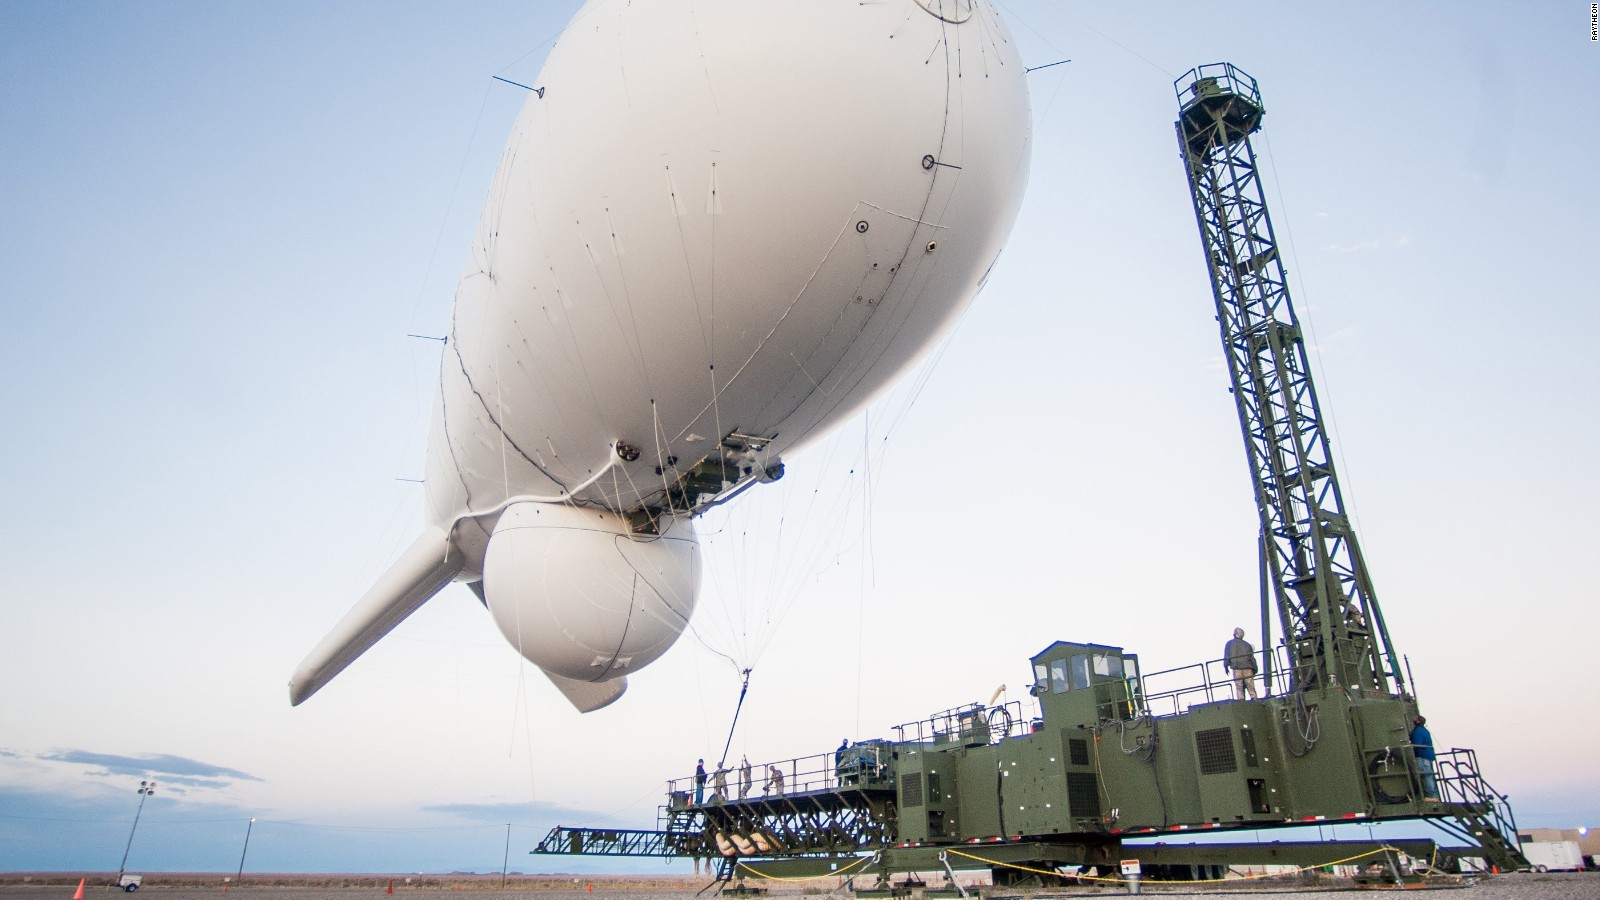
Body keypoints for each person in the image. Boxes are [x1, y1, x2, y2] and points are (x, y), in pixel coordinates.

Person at [1223, 627, 1258, 700]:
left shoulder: (1229, 644)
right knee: (1250, 685)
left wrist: (1226, 666)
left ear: (1234, 634)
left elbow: (1226, 656)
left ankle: (1241, 700)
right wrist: (1255, 668)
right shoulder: (1247, 644)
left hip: (1237, 668)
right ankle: (1254, 698)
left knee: (1239, 686)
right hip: (1248, 668)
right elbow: (1252, 658)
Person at [1411, 715, 1438, 800]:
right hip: (1428, 755)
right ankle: (1432, 795)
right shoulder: (1424, 730)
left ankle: (1432, 796)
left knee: (1426, 776)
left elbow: (1417, 744)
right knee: (1428, 775)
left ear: (1418, 721)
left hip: (1422, 756)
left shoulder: (1418, 731)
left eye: (1415, 718)